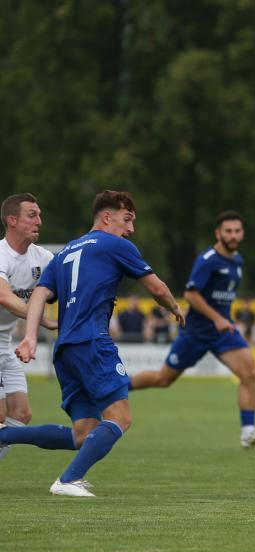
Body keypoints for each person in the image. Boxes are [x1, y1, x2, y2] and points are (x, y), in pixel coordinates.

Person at [2, 190, 183, 497]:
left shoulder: (64, 253)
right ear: (107, 217)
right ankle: (68, 480)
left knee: (84, 432)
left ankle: (5, 435)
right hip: (93, 342)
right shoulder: (115, 244)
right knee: (120, 418)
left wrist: (32, 335)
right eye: (127, 220)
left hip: (65, 350)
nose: (131, 229)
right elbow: (157, 287)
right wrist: (175, 308)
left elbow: (38, 296)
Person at [129, 211, 255, 449]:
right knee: (163, 379)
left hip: (223, 332)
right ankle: (115, 387)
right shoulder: (208, 259)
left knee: (249, 374)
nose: (233, 235)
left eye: (237, 231)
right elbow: (191, 294)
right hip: (196, 332)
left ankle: (248, 432)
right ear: (218, 233)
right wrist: (217, 318)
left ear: (242, 233)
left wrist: (222, 320)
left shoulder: (238, 261)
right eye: (228, 231)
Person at [0, 193, 58, 460]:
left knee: (21, 414)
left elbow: (66, 284)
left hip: (5, 343)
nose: (39, 221)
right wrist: (43, 320)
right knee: (0, 416)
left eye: (40, 215)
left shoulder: (42, 257)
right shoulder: (1, 254)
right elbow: (4, 296)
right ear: (12, 220)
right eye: (32, 215)